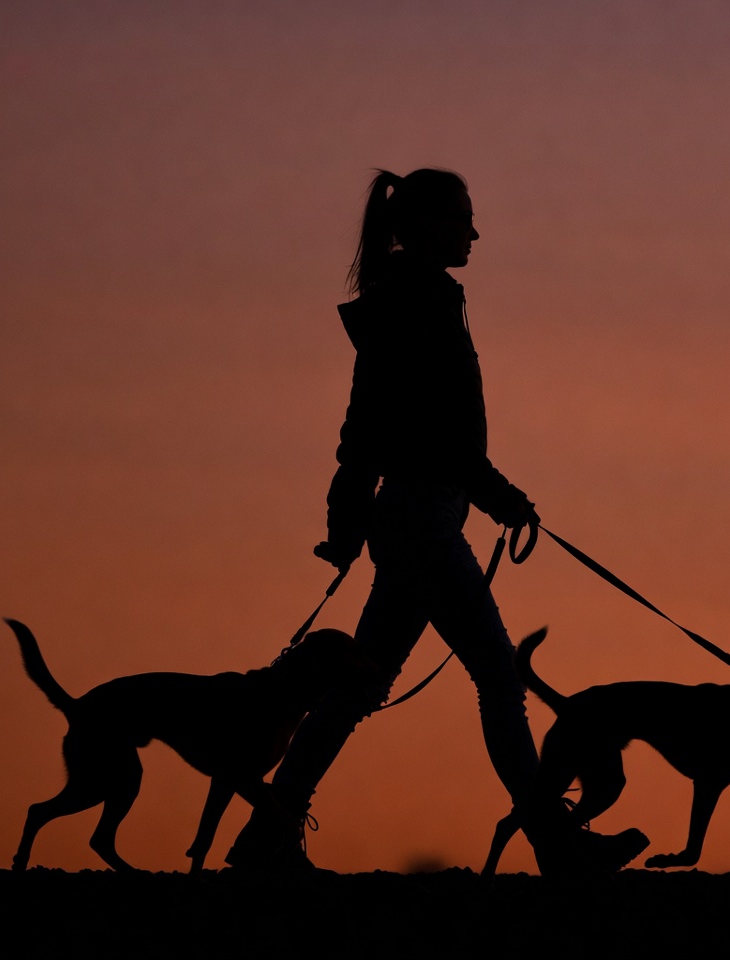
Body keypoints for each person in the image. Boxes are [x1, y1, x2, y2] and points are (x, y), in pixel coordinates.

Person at [227, 169, 646, 876]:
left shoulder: (417, 301)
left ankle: (263, 839)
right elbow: (417, 431)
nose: (473, 233)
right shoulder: (413, 304)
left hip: (419, 515)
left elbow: (372, 426)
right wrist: (495, 495)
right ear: (423, 225)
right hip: (422, 517)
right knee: (499, 679)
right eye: (459, 220)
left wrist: (353, 519)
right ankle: (555, 842)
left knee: (359, 688)